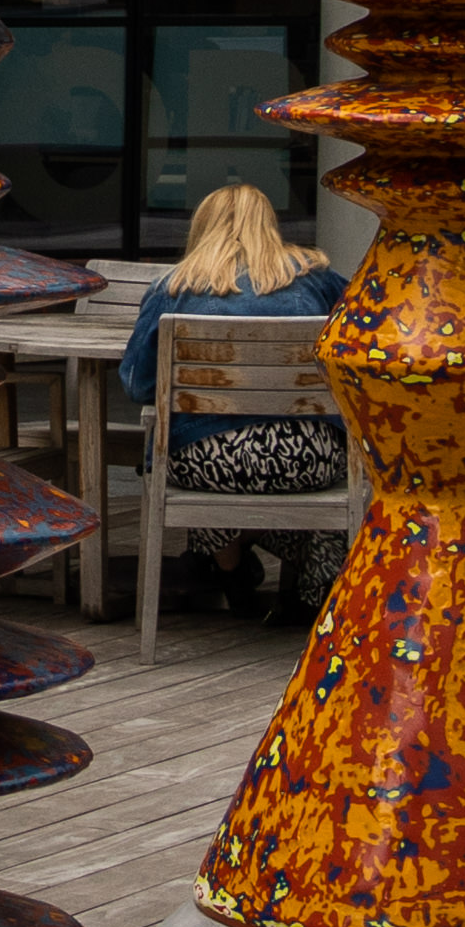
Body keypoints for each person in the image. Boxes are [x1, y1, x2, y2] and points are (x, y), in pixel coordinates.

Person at [117, 178, 354, 614]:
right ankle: (311, 590)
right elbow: (359, 343)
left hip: (209, 463)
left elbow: (138, 385)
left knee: (183, 453)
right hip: (309, 459)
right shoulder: (316, 279)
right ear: (269, 225)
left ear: (203, 227)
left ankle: (230, 569)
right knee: (332, 460)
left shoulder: (173, 287)